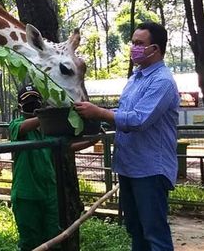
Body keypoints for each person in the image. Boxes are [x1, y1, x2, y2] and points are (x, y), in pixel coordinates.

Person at [74, 22, 180, 251]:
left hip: (150, 170)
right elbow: (122, 113)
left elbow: (139, 119)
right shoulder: (135, 79)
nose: (134, 48)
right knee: (135, 229)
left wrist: (99, 112)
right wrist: (97, 115)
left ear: (156, 49)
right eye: (133, 43)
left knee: (154, 233)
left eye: (140, 44)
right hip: (129, 166)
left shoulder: (162, 81)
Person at [9, 84, 61, 251]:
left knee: (54, 240)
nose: (32, 106)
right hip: (27, 195)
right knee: (30, 242)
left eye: (35, 102)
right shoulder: (16, 125)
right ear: (19, 106)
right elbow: (22, 128)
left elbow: (65, 146)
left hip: (49, 194)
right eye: (27, 102)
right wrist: (47, 116)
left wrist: (92, 140)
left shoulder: (48, 130)